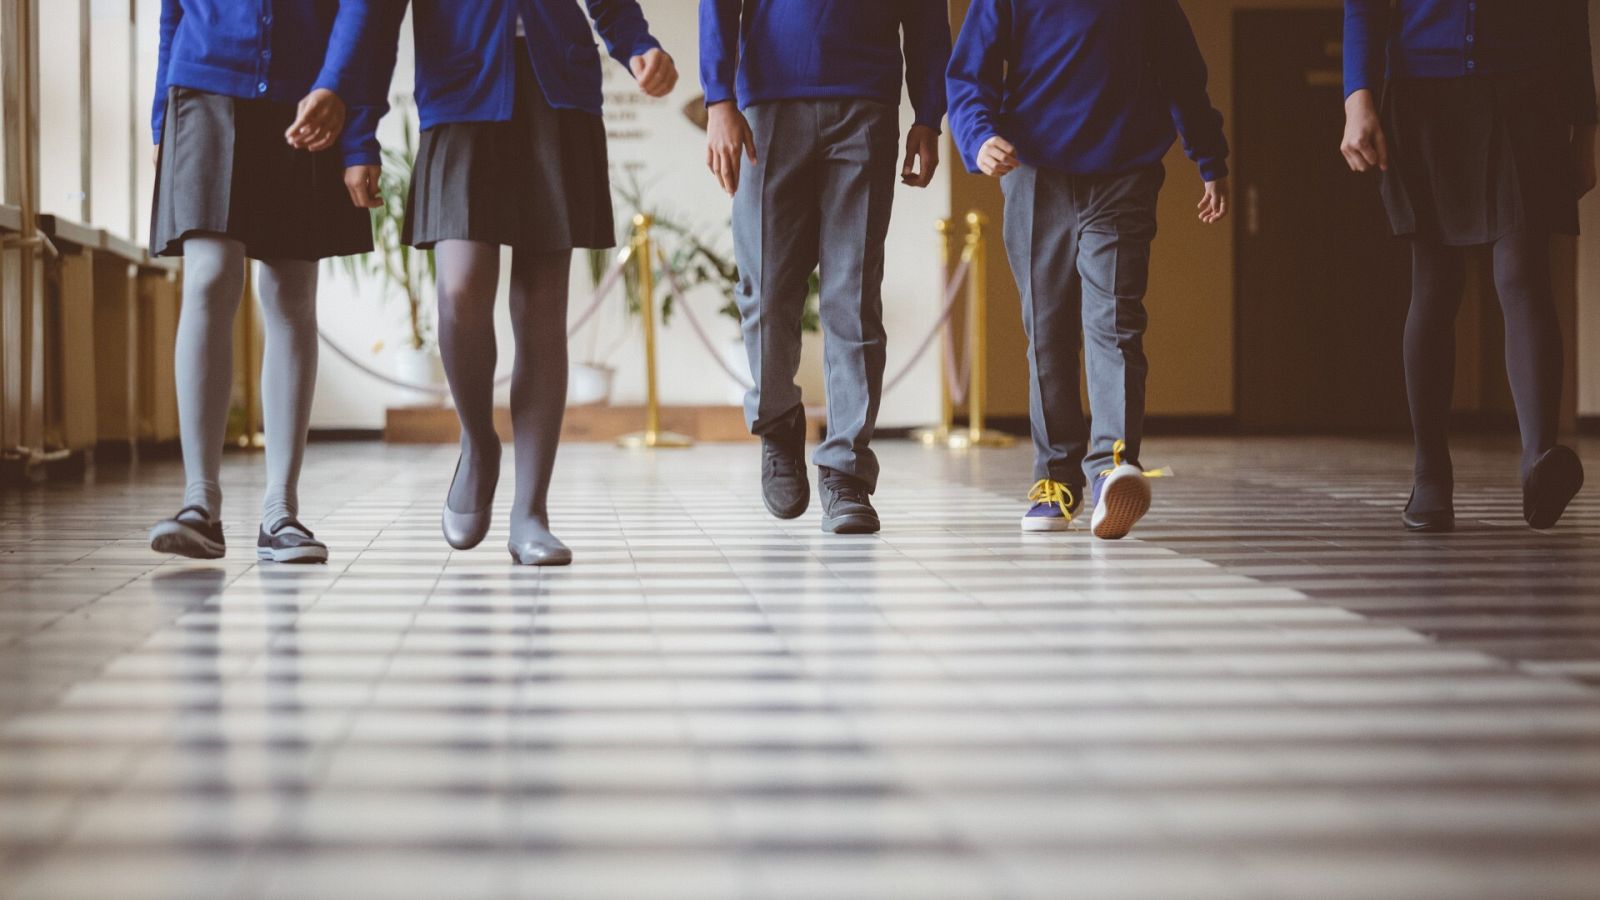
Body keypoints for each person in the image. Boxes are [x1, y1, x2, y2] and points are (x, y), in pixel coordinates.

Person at [356, 0, 676, 565]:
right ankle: (479, 443)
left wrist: (637, 46)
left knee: (542, 309)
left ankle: (531, 512)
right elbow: (375, 19)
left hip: (559, 89)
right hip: (461, 88)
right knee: (459, 289)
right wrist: (359, 133)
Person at [947, 0, 1230, 540]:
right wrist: (977, 135)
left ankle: (1111, 469)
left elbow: (1182, 70)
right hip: (1033, 172)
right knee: (1048, 332)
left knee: (1116, 322)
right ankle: (1055, 481)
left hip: (1123, 172)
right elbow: (969, 72)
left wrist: (1209, 158)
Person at [1342, 0, 1596, 533]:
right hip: (1424, 92)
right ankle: (1430, 473)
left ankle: (1538, 461)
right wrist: (1356, 96)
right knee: (1436, 281)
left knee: (1523, 269)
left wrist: (1586, 126)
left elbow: (1571, 11)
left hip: (1528, 90)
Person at [700, 0, 953, 535]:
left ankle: (846, 471)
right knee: (765, 290)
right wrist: (718, 98)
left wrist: (929, 114)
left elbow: (929, 14)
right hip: (767, 107)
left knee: (853, 293)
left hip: (866, 106)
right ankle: (779, 422)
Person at [147, 0, 382, 564]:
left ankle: (281, 510)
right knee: (208, 277)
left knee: (290, 293)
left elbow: (364, 16)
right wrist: (161, 121)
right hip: (201, 89)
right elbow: (171, 12)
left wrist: (359, 136)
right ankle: (199, 504)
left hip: (310, 98)